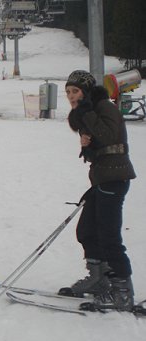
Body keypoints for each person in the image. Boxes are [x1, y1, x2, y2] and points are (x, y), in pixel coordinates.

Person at [58, 70, 137, 310]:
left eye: (76, 91)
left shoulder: (104, 107)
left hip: (115, 178)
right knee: (87, 230)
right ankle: (99, 279)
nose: (71, 96)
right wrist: (88, 146)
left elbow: (109, 136)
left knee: (109, 236)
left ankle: (122, 292)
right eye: (68, 92)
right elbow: (100, 148)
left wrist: (87, 114)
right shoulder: (88, 112)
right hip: (102, 178)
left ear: (87, 91)